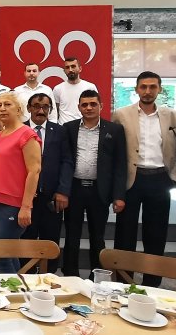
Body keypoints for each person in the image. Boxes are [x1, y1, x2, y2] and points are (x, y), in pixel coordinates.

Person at [111, 71, 176, 286]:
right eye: (143, 87)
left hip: (160, 179)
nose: (148, 91)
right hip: (132, 180)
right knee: (125, 235)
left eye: (152, 87)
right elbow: (115, 152)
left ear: (160, 89)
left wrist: (173, 177)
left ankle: (152, 285)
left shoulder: (172, 116)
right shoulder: (121, 115)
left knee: (156, 235)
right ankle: (123, 283)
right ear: (136, 89)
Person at [62, 89, 127, 278]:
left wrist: (119, 195)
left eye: (93, 104)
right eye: (84, 104)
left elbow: (120, 165)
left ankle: (97, 277)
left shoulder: (114, 130)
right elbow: (64, 161)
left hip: (100, 190)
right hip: (74, 189)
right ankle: (70, 275)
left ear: (101, 106)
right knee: (72, 235)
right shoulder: (69, 128)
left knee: (98, 236)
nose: (89, 108)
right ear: (79, 107)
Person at [0, 92, 41, 273]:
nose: (2, 108)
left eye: (7, 104)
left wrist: (26, 206)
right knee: (8, 253)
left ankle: (9, 290)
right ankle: (18, 287)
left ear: (18, 109)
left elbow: (34, 171)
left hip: (14, 204)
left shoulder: (27, 134)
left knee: (0, 254)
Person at [20, 93, 73, 273]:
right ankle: (26, 276)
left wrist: (63, 190)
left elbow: (67, 161)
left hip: (52, 197)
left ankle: (49, 277)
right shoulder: (19, 130)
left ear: (50, 109)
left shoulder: (59, 131)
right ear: (29, 108)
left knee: (50, 240)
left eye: (45, 107)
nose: (41, 110)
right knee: (26, 239)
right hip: (25, 197)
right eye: (36, 106)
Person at [52, 58, 98, 125]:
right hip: (63, 127)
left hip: (84, 126)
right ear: (64, 71)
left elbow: (95, 108)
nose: (70, 70)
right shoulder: (58, 89)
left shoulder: (90, 87)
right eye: (67, 67)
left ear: (80, 69)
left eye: (73, 66)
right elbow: (54, 110)